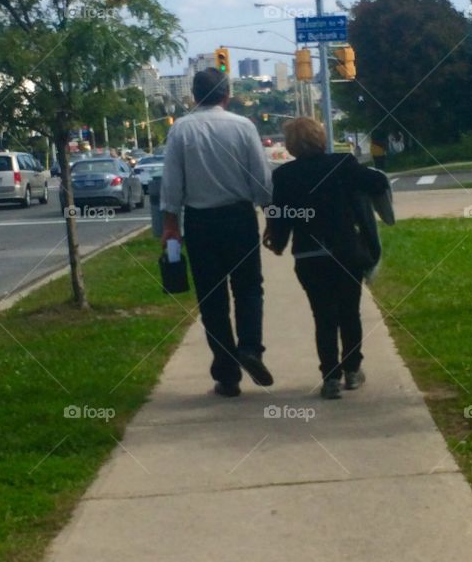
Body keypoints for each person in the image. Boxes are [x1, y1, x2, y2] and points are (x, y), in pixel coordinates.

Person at [160, 68, 274, 397]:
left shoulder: (181, 130)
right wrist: (269, 213)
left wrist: (171, 224)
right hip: (239, 218)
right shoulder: (244, 127)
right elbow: (261, 181)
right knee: (249, 288)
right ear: (226, 95)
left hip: (200, 222)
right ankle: (250, 348)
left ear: (194, 97)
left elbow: (172, 183)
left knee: (212, 299)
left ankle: (227, 374)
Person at [263, 117, 390, 399]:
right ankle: (353, 371)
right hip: (346, 252)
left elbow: (281, 216)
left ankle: (330, 376)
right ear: (320, 138)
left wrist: (278, 243)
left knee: (323, 316)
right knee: (349, 312)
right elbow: (376, 182)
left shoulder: (284, 176)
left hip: (309, 255)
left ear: (293, 146)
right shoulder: (342, 165)